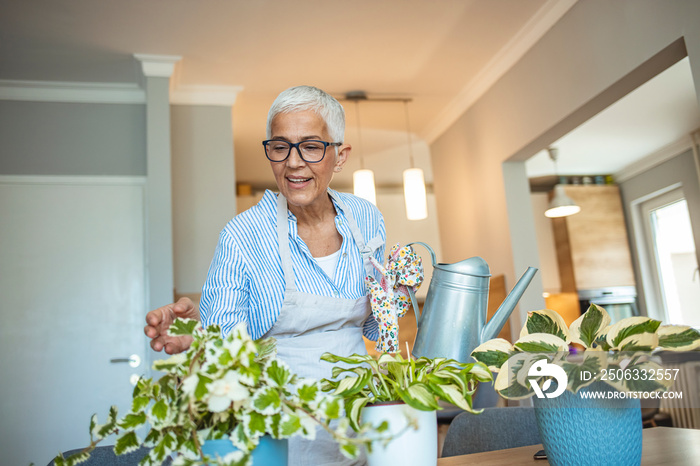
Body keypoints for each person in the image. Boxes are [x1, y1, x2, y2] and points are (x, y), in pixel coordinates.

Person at [144, 85, 385, 465]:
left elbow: (379, 318)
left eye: (311, 146)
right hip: (278, 428)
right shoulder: (242, 236)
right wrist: (196, 337)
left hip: (362, 420)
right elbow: (222, 347)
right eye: (279, 146)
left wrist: (399, 290)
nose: (293, 162)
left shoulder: (367, 218)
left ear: (340, 155)